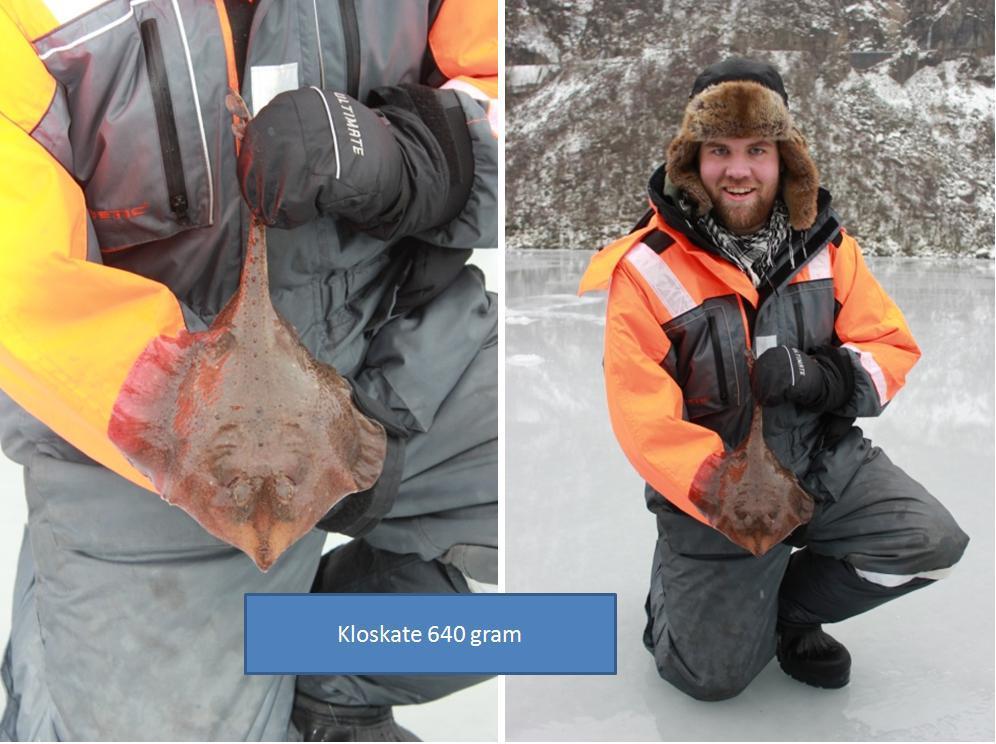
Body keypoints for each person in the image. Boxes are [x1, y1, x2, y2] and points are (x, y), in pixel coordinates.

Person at [0, 0, 498, 740]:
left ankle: (319, 668)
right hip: (154, 433)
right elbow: (22, 277)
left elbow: (506, 80)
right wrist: (185, 418)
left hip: (403, 355)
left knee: (557, 620)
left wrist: (419, 152)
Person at [578, 58, 968, 701]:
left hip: (819, 461)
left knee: (932, 542)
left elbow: (888, 345)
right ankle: (675, 599)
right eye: (719, 149)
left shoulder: (831, 247)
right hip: (719, 489)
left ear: (784, 156)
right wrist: (719, 484)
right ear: (691, 160)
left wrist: (827, 379)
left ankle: (789, 613)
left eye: (757, 148)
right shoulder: (646, 269)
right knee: (712, 679)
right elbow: (639, 411)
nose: (738, 169)